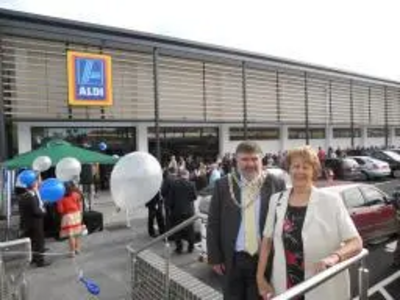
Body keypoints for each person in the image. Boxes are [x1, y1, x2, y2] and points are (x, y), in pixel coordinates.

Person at [257, 146, 363, 300]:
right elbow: (267, 241)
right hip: (285, 285)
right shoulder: (276, 200)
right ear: (289, 170)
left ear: (314, 171)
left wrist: (334, 257)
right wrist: (260, 278)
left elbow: (356, 242)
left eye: (305, 167)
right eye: (295, 166)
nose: (300, 171)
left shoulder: (331, 201)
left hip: (322, 285)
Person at [207, 141, 286, 300]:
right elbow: (213, 222)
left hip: (263, 258)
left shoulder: (275, 183)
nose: (250, 164)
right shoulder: (223, 185)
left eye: (254, 159)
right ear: (236, 161)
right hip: (233, 258)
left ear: (261, 160)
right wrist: (214, 257)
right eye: (244, 159)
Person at [18, 176, 50, 267]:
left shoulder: (23, 196)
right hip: (36, 223)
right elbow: (36, 211)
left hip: (27, 223)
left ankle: (33, 258)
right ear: (33, 186)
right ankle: (40, 261)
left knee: (32, 242)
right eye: (36, 183)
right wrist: (43, 211)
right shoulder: (31, 197)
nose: (38, 184)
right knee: (39, 242)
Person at [166, 169, 197, 254]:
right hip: (189, 211)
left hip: (177, 211)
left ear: (180, 175)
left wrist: (170, 209)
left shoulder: (174, 184)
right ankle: (191, 248)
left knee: (177, 231)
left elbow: (170, 199)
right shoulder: (191, 184)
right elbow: (194, 197)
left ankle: (179, 248)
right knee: (190, 230)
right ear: (187, 175)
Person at [57, 182, 84, 257]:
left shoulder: (61, 198)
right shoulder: (76, 195)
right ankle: (77, 249)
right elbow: (80, 206)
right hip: (77, 214)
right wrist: (81, 214)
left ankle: (72, 252)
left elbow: (60, 210)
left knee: (71, 235)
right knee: (77, 233)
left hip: (68, 217)